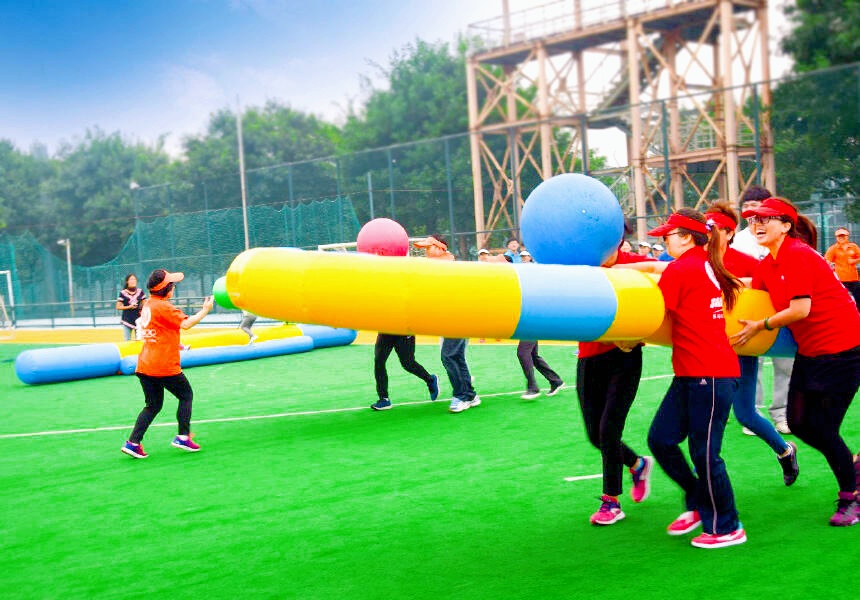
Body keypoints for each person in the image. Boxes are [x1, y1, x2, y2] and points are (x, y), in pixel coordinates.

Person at [732, 197, 860, 526]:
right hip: (811, 351)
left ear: (786, 226)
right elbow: (752, 289)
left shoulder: (797, 254)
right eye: (753, 220)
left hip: (844, 350)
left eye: (766, 219)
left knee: (825, 429)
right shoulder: (768, 263)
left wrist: (761, 325)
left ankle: (851, 497)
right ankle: (853, 465)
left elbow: (800, 309)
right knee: (798, 423)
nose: (757, 225)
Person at [646, 209, 747, 549]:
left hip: (710, 373)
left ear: (687, 237)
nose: (664, 240)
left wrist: (626, 338)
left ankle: (727, 526)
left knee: (705, 454)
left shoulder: (683, 268)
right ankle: (698, 500)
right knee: (661, 438)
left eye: (669, 235)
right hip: (694, 372)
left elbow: (654, 314)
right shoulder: (706, 263)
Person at [705, 202, 799, 486]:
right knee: (707, 413)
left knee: (745, 414)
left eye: (713, 229)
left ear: (729, 233)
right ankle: (708, 483)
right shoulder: (695, 260)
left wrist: (762, 325)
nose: (707, 234)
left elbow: (774, 295)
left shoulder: (746, 262)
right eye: (705, 228)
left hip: (741, 347)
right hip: (707, 350)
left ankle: (785, 451)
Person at [577, 232, 658, 526]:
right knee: (595, 435)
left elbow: (665, 273)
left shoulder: (634, 264)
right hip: (589, 357)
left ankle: (611, 501)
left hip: (624, 358)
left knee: (609, 430)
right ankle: (637, 464)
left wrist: (639, 332)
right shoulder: (582, 264)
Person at [121, 269, 214, 459]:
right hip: (163, 366)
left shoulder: (148, 304)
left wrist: (174, 342)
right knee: (186, 395)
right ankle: (183, 437)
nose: (174, 287)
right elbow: (186, 324)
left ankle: (133, 443)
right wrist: (205, 310)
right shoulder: (164, 307)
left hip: (145, 364)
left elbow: (158, 330)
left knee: (153, 405)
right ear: (166, 289)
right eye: (172, 284)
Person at [734, 186, 790, 436]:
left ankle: (782, 413)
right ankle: (753, 415)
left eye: (756, 205)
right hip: (751, 310)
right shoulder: (738, 239)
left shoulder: (785, 239)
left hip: (782, 309)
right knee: (751, 365)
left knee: (785, 363)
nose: (750, 211)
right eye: (746, 206)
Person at [414, 234, 479, 414]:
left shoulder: (445, 266)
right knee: (457, 356)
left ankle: (461, 396)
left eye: (429, 247)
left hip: (457, 317)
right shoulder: (439, 266)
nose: (426, 251)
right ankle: (470, 395)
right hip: (453, 317)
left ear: (440, 248)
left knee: (448, 356)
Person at [515, 252, 563, 400]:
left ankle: (533, 388)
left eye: (526, 257)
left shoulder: (539, 284)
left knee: (523, 353)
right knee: (532, 355)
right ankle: (555, 381)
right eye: (522, 258)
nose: (524, 260)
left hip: (534, 321)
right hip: (528, 321)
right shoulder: (525, 283)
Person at [370, 334, 439, 410]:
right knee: (379, 362)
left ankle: (430, 379)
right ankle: (384, 399)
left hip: (404, 332)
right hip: (385, 332)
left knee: (408, 363)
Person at [824, 227, 860, 306]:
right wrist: (830, 268)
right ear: (836, 237)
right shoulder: (833, 249)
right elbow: (826, 261)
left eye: (843, 236)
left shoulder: (854, 247)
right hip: (840, 280)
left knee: (859, 297)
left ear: (847, 236)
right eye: (839, 236)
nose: (841, 238)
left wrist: (854, 261)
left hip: (854, 278)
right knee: (841, 300)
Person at [116, 273, 145, 341]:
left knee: (139, 340)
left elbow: (144, 304)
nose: (133, 281)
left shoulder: (140, 291)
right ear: (127, 281)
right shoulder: (123, 293)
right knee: (127, 340)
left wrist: (141, 307)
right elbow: (118, 307)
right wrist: (129, 307)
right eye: (131, 279)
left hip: (139, 320)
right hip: (127, 319)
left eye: (134, 279)